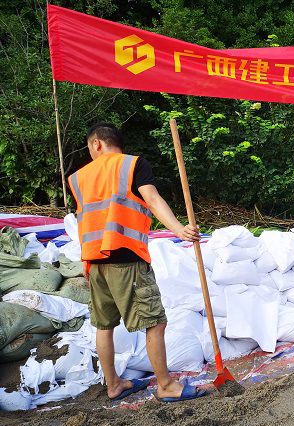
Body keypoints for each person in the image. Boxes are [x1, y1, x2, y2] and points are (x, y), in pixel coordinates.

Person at [68, 123, 206, 402]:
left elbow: (86, 220)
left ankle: (113, 384)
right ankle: (166, 385)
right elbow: (152, 199)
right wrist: (179, 229)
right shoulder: (132, 165)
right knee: (154, 322)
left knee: (104, 326)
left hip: (94, 263)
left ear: (96, 144)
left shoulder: (78, 177)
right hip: (126, 259)